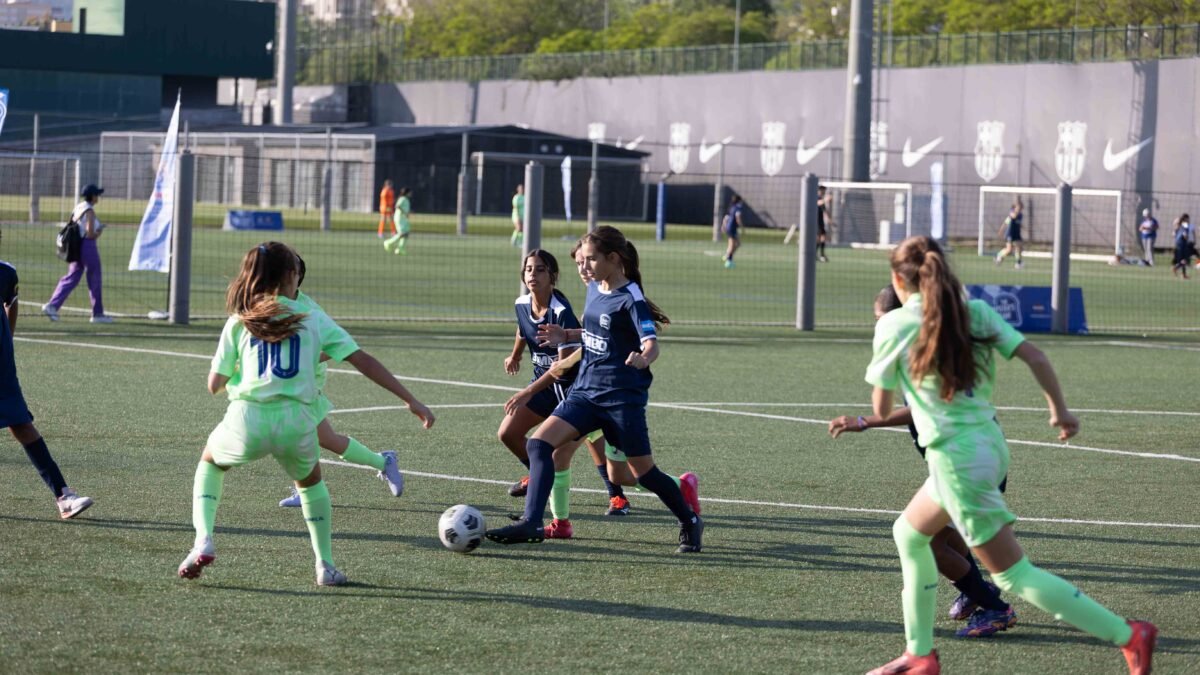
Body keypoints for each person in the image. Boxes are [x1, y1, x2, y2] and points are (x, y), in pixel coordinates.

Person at [863, 236, 1155, 675]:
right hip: (989, 447)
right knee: (908, 533)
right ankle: (919, 654)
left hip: (955, 461)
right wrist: (1060, 411)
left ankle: (1128, 635)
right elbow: (1035, 355)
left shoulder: (895, 325)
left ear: (897, 280)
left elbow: (882, 409)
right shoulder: (973, 314)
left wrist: (887, 378)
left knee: (1014, 576)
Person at [178, 242, 435, 587]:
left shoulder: (241, 318)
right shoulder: (312, 316)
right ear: (288, 276)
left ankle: (203, 541)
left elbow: (214, 385)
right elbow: (362, 359)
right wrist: (411, 400)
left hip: (248, 417)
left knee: (210, 464)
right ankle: (325, 565)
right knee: (312, 485)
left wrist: (242, 372)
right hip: (297, 419)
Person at [486, 226, 703, 552]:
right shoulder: (594, 289)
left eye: (589, 260)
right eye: (579, 262)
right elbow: (594, 333)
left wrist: (643, 359)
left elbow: (651, 344)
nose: (582, 267)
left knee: (642, 474)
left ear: (613, 259)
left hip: (621, 399)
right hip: (586, 393)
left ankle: (689, 520)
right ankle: (532, 523)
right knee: (539, 445)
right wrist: (567, 336)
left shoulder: (631, 298)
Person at [828, 285, 1016, 639]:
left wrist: (866, 421)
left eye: (880, 319)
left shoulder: (921, 347)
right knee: (953, 542)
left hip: (968, 465)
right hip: (974, 461)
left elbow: (921, 408)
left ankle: (993, 606)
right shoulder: (927, 342)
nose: (878, 327)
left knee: (929, 544)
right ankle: (978, 595)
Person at [277, 256, 408, 508]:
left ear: (295, 278)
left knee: (298, 436)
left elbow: (335, 348)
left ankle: (307, 491)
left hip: (305, 384)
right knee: (324, 438)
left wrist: (302, 359)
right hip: (287, 384)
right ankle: (384, 461)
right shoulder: (272, 304)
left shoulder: (309, 311)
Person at [497, 249, 590, 538]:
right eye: (528, 270)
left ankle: (679, 486)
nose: (532, 275)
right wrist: (516, 356)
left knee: (623, 473)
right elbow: (523, 330)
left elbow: (563, 367)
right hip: (545, 387)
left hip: (573, 392)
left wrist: (526, 391)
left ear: (552, 276)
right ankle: (539, 481)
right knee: (508, 434)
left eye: (539, 270)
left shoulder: (562, 313)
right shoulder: (522, 303)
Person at [0, 250, 94, 519]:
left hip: (2, 368)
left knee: (21, 424)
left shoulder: (6, 272)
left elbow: (12, 302)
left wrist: (8, 340)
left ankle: (64, 496)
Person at [42, 184, 113, 323]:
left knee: (72, 277)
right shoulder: (90, 211)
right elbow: (90, 233)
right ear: (93, 196)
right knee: (94, 277)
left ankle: (52, 305)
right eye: (97, 194)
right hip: (87, 246)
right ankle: (97, 314)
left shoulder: (79, 207)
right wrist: (100, 231)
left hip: (75, 246)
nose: (98, 197)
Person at [994, 197, 1024, 269]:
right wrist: (1001, 231)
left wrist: (1024, 228)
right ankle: (999, 255)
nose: (1019, 209)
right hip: (1010, 233)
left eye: (1021, 208)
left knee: (1019, 247)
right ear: (1015, 207)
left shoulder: (1021, 215)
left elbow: (1019, 224)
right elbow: (1006, 222)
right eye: (1018, 208)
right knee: (1009, 250)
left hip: (1016, 234)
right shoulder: (1012, 213)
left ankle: (1018, 263)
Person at [383, 187, 412, 256]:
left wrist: (407, 214)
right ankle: (388, 242)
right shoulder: (402, 199)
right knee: (402, 233)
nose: (411, 194)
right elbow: (397, 206)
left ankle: (400, 249)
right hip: (399, 219)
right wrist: (404, 212)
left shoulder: (406, 200)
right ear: (407, 193)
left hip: (404, 219)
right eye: (410, 192)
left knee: (406, 233)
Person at [722, 194, 744, 269]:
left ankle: (727, 255)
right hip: (732, 228)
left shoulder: (732, 207)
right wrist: (742, 227)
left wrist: (724, 226)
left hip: (730, 228)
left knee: (738, 244)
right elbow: (738, 218)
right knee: (732, 245)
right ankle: (728, 262)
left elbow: (726, 217)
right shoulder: (738, 208)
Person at [1171, 213, 1196, 279]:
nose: (1189, 219)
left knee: (1184, 260)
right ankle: (1176, 268)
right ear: (1186, 219)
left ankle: (1183, 274)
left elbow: (1173, 234)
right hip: (1183, 245)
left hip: (1179, 244)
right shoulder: (1184, 225)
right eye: (1188, 218)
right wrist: (1187, 238)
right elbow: (1185, 235)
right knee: (1185, 260)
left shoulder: (1179, 226)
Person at [816, 185, 832, 262]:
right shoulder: (816, 197)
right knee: (819, 238)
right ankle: (816, 254)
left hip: (820, 221)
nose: (823, 191)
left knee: (822, 237)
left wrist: (829, 219)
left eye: (824, 190)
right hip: (815, 221)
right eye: (822, 190)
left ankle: (821, 254)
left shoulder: (822, 199)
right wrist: (826, 199)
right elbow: (818, 203)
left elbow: (824, 210)